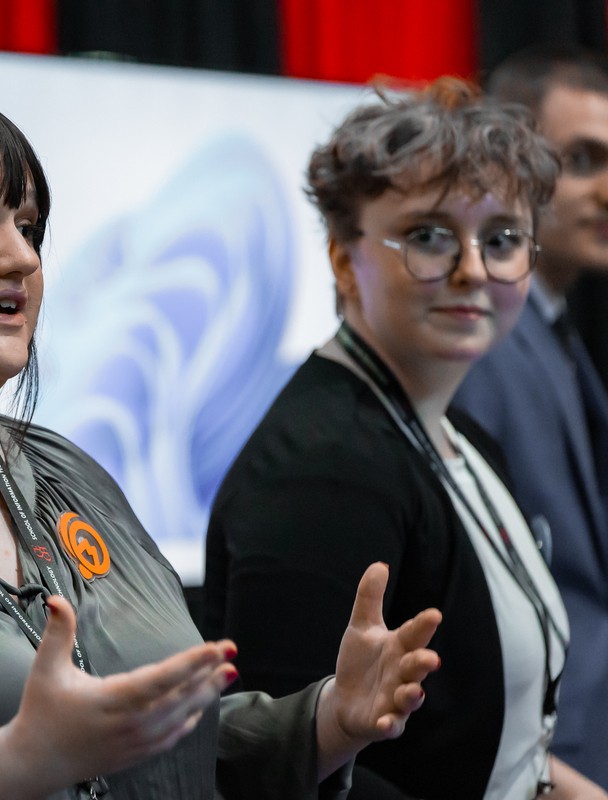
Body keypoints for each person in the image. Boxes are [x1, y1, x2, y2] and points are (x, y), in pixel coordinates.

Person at [0, 91, 443, 799]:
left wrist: (326, 721)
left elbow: (167, 740)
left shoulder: (65, 470)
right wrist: (12, 763)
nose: (20, 258)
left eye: (29, 226)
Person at [203, 78, 607, 798]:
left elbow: (487, 737)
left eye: (503, 239)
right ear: (341, 258)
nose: (473, 270)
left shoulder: (460, 435)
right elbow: (266, 767)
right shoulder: (322, 470)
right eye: (428, 236)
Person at [453, 44, 608, 787]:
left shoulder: (558, 334)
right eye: (581, 160)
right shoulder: (482, 348)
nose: (606, 188)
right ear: (511, 169)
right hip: (542, 760)